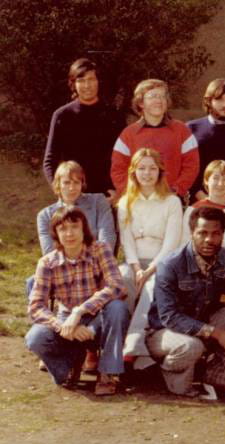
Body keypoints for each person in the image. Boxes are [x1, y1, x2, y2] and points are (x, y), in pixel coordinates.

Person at [147, 206, 225, 396]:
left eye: (215, 234)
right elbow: (169, 317)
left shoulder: (223, 257)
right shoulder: (170, 264)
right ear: (192, 233)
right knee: (191, 347)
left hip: (203, 324)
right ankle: (164, 371)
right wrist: (217, 333)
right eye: (202, 233)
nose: (209, 239)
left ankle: (220, 376)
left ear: (222, 235)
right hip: (165, 332)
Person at [26, 206, 128, 395]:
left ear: (84, 229)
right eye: (63, 229)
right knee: (35, 337)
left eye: (74, 226)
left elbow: (117, 286)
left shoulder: (100, 249)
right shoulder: (48, 262)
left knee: (118, 307)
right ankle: (68, 365)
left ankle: (108, 373)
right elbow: (36, 307)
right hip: (66, 323)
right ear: (56, 234)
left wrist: (79, 311)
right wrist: (63, 326)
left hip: (98, 318)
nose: (69, 233)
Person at [117, 148, 182, 367]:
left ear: (160, 171)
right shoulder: (125, 202)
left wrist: (150, 270)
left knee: (154, 285)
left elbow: (171, 243)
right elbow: (127, 240)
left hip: (162, 263)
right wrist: (136, 268)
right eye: (142, 168)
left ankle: (133, 344)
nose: (147, 173)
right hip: (134, 262)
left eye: (152, 168)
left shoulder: (171, 202)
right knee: (122, 280)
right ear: (134, 172)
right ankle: (115, 341)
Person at [43, 58, 124, 199]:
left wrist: (119, 190)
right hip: (75, 197)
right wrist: (61, 192)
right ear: (73, 84)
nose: (87, 85)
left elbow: (125, 158)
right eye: (81, 80)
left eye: (91, 79)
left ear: (98, 81)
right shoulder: (62, 116)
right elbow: (50, 161)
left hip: (108, 197)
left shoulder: (114, 115)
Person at [111, 79, 200, 200]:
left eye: (163, 96)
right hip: (138, 201)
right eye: (153, 96)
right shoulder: (128, 134)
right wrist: (132, 193)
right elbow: (118, 170)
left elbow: (192, 166)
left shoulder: (182, 131)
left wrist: (177, 190)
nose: (159, 100)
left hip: (172, 199)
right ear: (141, 103)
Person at [182, 160, 225, 275]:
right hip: (201, 266)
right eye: (215, 178)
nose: (220, 184)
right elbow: (185, 242)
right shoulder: (193, 210)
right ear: (206, 181)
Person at [37, 161, 116, 256]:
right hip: (62, 264)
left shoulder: (98, 202)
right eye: (66, 183)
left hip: (98, 261)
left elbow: (107, 238)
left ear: (82, 184)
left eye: (76, 182)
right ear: (58, 184)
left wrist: (92, 261)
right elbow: (49, 253)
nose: (71, 188)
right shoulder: (45, 216)